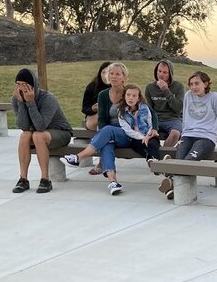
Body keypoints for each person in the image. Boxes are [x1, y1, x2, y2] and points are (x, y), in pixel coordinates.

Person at [61, 62, 157, 195]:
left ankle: (78, 157)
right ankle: (113, 182)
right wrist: (108, 137)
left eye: (118, 74)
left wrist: (155, 128)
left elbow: (150, 112)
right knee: (106, 144)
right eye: (111, 74)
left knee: (107, 131)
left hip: (128, 134)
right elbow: (101, 120)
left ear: (124, 77)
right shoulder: (103, 95)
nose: (114, 77)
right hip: (110, 133)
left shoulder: (129, 93)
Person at [158, 71, 217, 200]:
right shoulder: (188, 96)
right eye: (191, 84)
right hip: (188, 136)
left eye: (197, 83)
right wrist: (184, 135)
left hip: (206, 138)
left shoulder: (214, 97)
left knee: (187, 162)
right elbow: (185, 117)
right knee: (181, 161)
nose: (193, 87)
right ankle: (172, 185)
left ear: (206, 83)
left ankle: (170, 174)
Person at [11, 68, 73, 194]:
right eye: (17, 84)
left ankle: (45, 180)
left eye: (24, 85)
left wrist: (30, 102)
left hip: (61, 133)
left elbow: (40, 126)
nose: (20, 88)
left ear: (32, 85)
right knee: (24, 135)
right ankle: (23, 179)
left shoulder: (48, 99)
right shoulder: (16, 98)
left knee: (38, 135)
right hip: (37, 133)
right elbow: (23, 126)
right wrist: (22, 103)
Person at [145, 60, 184, 147]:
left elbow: (178, 109)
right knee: (146, 132)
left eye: (165, 72)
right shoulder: (150, 87)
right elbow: (149, 109)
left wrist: (166, 91)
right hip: (156, 119)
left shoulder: (178, 87)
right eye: (159, 71)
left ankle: (162, 157)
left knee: (175, 134)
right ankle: (156, 155)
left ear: (170, 73)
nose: (161, 74)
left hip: (173, 119)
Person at [118, 84, 161, 163]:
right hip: (135, 137)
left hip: (148, 134)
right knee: (137, 145)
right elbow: (126, 129)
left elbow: (150, 123)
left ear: (138, 98)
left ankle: (153, 161)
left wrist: (148, 136)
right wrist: (141, 137)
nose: (131, 98)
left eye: (134, 96)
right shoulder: (121, 111)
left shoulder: (144, 108)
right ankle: (155, 162)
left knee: (153, 144)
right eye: (128, 95)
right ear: (124, 96)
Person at [81, 61, 111, 131]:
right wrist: (92, 109)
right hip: (94, 117)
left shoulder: (118, 87)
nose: (106, 76)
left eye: (109, 73)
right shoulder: (92, 87)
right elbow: (84, 108)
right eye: (103, 73)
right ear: (99, 73)